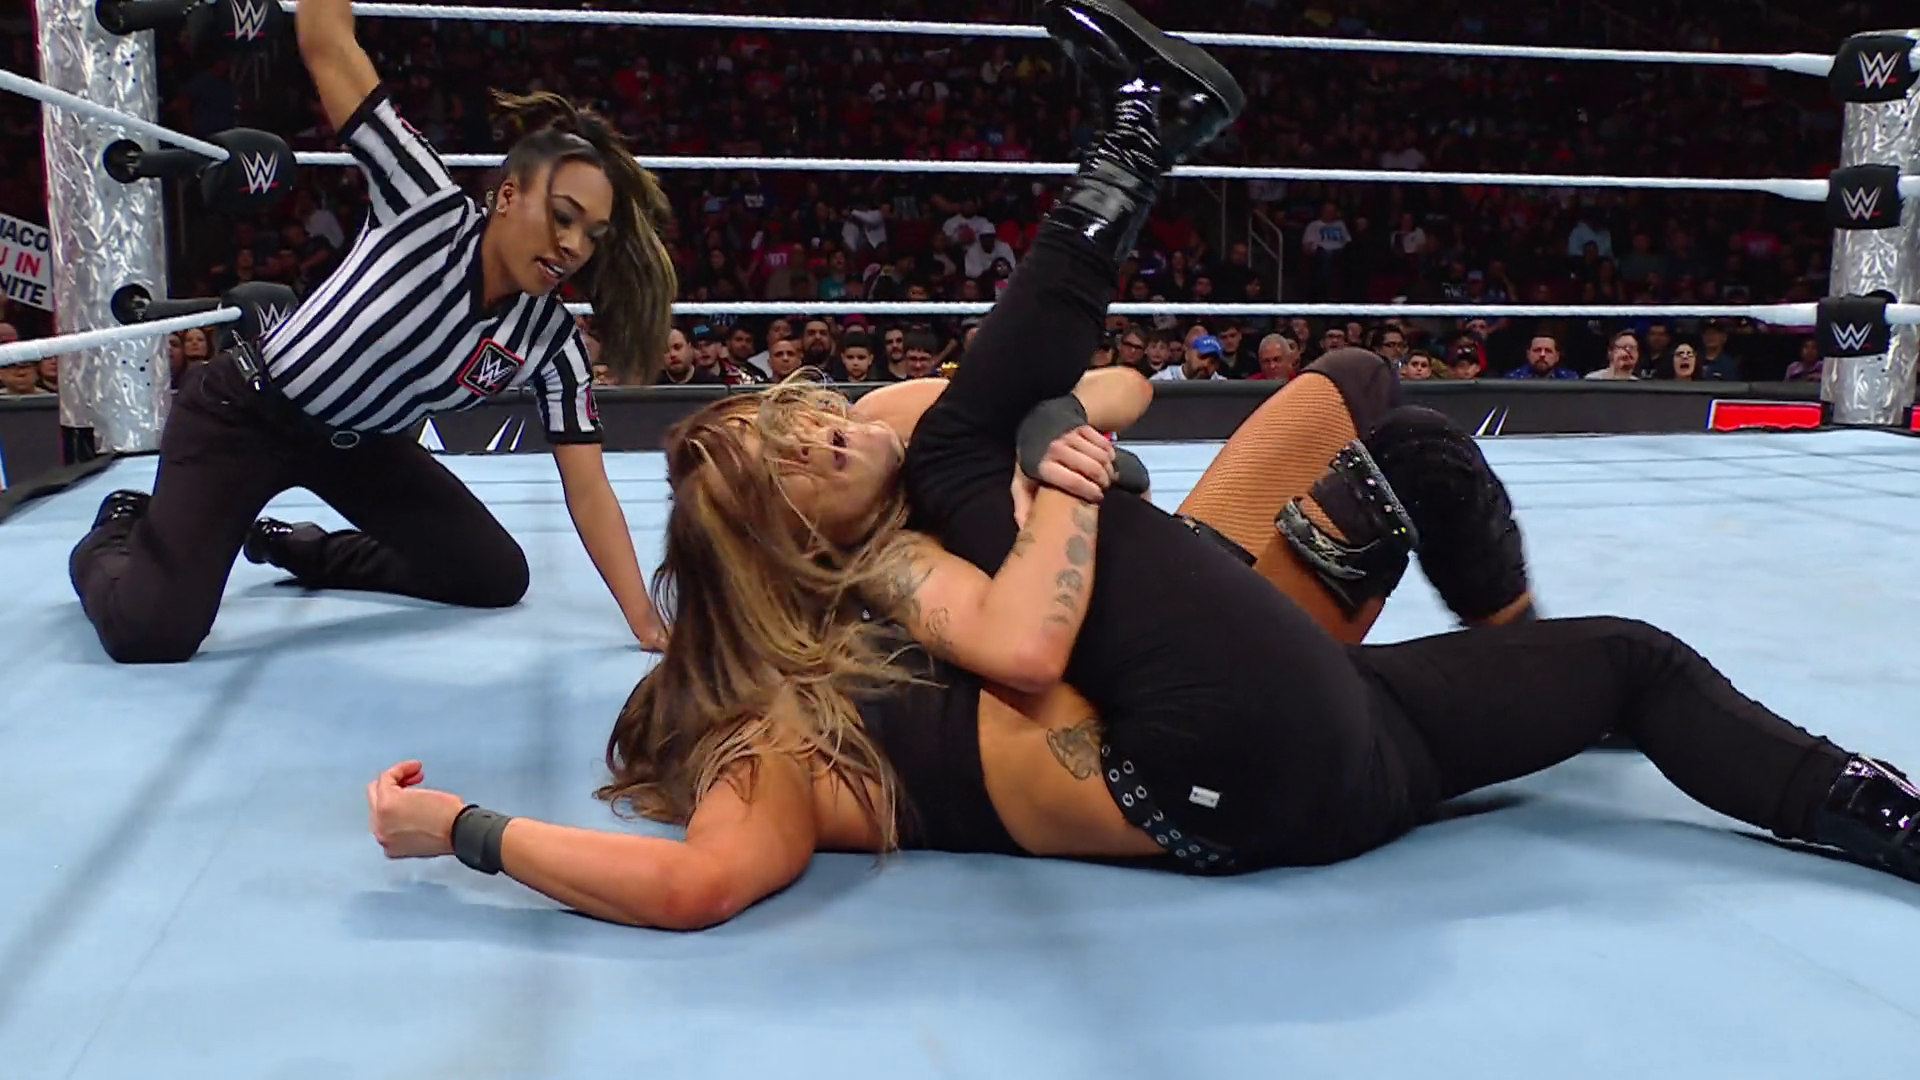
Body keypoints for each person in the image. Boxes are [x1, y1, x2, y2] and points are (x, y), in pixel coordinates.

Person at [362, 0, 1920, 928]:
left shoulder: (899, 521)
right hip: (1205, 765)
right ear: (787, 549)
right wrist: (465, 830)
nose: (831, 432)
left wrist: (1056, 442)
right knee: (978, 437)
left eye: (807, 417)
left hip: (1330, 755)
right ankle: (1133, 141)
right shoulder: (787, 721)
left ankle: (1887, 815)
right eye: (796, 458)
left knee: (1631, 663)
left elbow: (1061, 408)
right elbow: (700, 883)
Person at [69, 0, 675, 663]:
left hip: (362, 447)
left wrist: (644, 619)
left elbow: (588, 486)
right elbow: (326, 41)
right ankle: (116, 531)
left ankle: (300, 548)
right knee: (152, 633)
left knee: (494, 575)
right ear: (507, 196)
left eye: (592, 234)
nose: (574, 246)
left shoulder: (551, 342)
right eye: (562, 216)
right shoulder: (424, 205)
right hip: (246, 415)